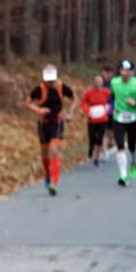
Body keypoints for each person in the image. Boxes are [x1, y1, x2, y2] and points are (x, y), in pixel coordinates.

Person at [26, 64, 76, 197]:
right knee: (44, 153)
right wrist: (38, 110)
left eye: (52, 80)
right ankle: (48, 174)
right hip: (43, 124)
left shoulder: (61, 87)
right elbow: (28, 102)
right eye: (48, 80)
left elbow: (74, 98)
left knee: (53, 150)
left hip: (57, 122)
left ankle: (54, 181)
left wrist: (69, 112)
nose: (50, 83)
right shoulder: (39, 89)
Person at [109, 59, 136, 187]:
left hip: (133, 119)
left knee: (132, 145)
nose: (124, 73)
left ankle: (133, 160)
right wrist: (111, 107)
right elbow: (112, 96)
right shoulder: (114, 82)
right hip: (118, 118)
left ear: (132, 72)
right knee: (120, 145)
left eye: (127, 71)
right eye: (122, 70)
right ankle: (123, 175)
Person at [80, 75, 111, 167]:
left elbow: (110, 102)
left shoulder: (106, 91)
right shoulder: (88, 92)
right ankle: (91, 147)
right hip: (92, 119)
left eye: (100, 81)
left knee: (100, 138)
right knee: (92, 138)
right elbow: (83, 103)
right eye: (97, 81)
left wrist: (107, 108)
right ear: (93, 82)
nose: (98, 83)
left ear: (102, 82)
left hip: (102, 118)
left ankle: (96, 158)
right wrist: (87, 111)